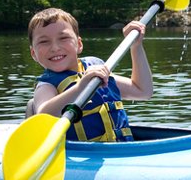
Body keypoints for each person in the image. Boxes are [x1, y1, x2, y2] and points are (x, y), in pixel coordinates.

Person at [26, 8, 153, 142]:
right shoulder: (46, 85)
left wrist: (136, 46)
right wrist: (80, 87)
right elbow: (43, 116)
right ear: (34, 53)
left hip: (122, 151)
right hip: (85, 155)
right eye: (44, 42)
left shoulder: (96, 68)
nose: (55, 48)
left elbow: (142, 91)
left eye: (63, 38)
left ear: (79, 44)